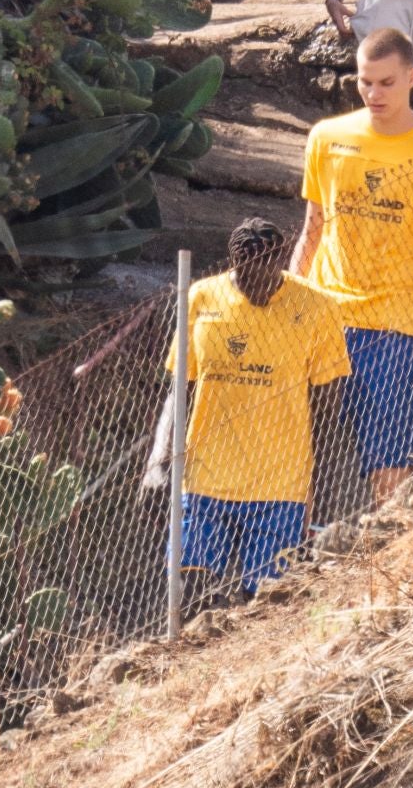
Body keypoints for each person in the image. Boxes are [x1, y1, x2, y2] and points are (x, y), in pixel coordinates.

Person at [290, 26, 413, 504]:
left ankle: (392, 557)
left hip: (402, 325)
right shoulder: (326, 139)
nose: (374, 93)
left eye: (386, 82)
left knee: (394, 466)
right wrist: (285, 310)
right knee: (292, 456)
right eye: (364, 81)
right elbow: (312, 229)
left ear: (412, 77)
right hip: (325, 319)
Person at [142, 217, 349, 602]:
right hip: (204, 481)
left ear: (282, 261)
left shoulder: (319, 308)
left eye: (267, 274)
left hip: (281, 489)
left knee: (266, 605)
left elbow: (325, 409)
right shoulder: (202, 299)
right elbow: (179, 389)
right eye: (248, 276)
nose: (258, 287)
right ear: (233, 264)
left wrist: (320, 492)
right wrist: (159, 459)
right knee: (190, 596)